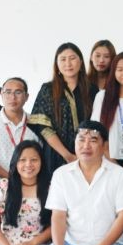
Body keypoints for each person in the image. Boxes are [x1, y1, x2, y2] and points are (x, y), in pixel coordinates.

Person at [29, 42, 96, 172]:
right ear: (57, 64)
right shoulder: (48, 90)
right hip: (56, 155)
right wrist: (67, 155)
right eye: (63, 59)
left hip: (87, 153)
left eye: (72, 58)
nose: (68, 64)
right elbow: (43, 127)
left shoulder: (92, 89)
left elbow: (97, 124)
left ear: (81, 62)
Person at [0, 77, 41, 178]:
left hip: (32, 182)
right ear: (1, 95)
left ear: (26, 96)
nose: (12, 97)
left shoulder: (36, 122)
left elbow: (42, 156)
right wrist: (12, 179)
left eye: (18, 92)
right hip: (0, 183)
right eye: (8, 92)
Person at [90, 53, 123, 174]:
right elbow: (96, 131)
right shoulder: (102, 96)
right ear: (113, 72)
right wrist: (112, 162)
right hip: (107, 160)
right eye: (120, 70)